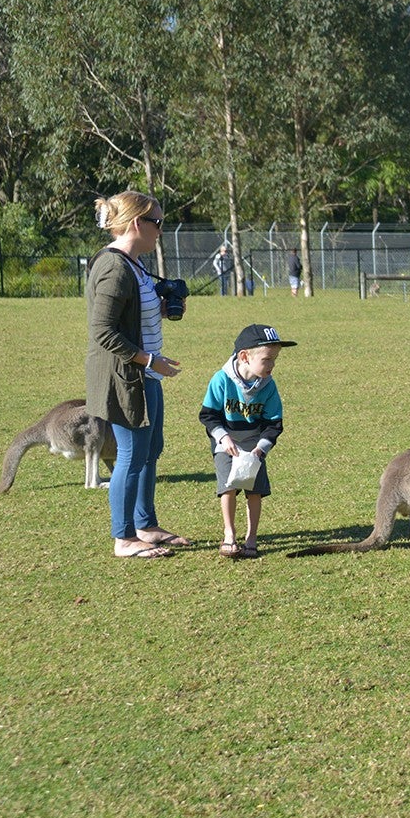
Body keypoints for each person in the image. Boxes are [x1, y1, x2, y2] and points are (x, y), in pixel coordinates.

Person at [86, 190, 189, 558]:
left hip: (147, 372)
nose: (160, 230)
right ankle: (123, 537)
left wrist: (159, 309)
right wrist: (147, 361)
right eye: (157, 223)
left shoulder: (134, 264)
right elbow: (102, 331)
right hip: (127, 376)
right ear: (136, 224)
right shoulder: (114, 267)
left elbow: (129, 316)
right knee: (130, 455)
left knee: (150, 451)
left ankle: (146, 525)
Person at [200, 323, 297, 558]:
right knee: (229, 487)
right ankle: (229, 535)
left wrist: (261, 448)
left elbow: (274, 423)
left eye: (275, 359)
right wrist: (223, 438)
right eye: (267, 359)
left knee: (254, 491)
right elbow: (208, 415)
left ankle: (251, 537)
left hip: (254, 445)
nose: (272, 365)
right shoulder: (221, 380)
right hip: (227, 443)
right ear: (245, 356)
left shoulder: (268, 386)